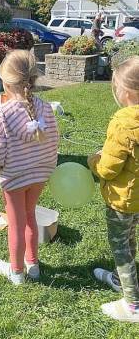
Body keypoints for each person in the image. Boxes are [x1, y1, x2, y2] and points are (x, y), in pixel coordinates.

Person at [0, 50, 59, 285]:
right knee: (30, 216)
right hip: (40, 175)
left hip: (14, 179)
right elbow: (54, 142)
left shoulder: (1, 114)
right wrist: (47, 168)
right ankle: (33, 265)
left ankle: (17, 272)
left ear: (6, 82)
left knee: (16, 224)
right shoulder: (46, 108)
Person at [88, 56, 139, 322]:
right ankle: (124, 282)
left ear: (126, 92)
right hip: (137, 198)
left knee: (120, 249)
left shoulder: (123, 123)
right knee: (129, 241)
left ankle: (132, 305)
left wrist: (93, 160)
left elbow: (108, 169)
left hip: (121, 199)